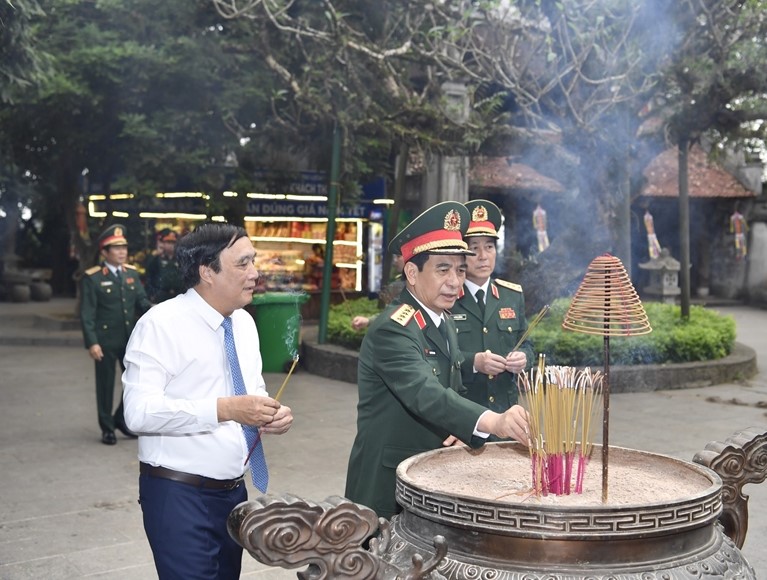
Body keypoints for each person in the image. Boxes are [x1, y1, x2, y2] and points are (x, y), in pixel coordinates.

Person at [122, 222, 294, 580]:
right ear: (206, 272)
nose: (255, 273)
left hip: (233, 492)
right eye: (243, 264)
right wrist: (224, 409)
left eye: (254, 262)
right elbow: (137, 412)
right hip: (178, 493)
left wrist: (268, 413)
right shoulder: (160, 325)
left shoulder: (244, 323)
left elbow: (252, 388)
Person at [344, 201, 529, 520]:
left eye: (459, 270)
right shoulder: (394, 328)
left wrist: (458, 425)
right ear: (412, 273)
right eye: (443, 269)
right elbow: (425, 392)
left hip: (426, 475)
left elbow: (451, 383)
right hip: (387, 487)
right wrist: (493, 421)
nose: (455, 282)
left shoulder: (440, 320)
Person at [450, 200, 534, 418]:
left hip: (506, 412)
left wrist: (524, 357)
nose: (483, 256)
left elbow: (527, 343)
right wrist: (474, 362)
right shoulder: (448, 297)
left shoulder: (511, 295)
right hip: (465, 412)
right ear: (462, 254)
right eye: (474, 248)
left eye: (489, 247)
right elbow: (436, 356)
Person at [80, 224, 152, 446]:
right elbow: (87, 314)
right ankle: (107, 428)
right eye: (116, 248)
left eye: (124, 247)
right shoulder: (93, 278)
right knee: (105, 385)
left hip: (129, 340)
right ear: (104, 252)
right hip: (104, 342)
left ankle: (120, 418)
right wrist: (92, 342)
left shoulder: (131, 274)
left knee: (136, 381)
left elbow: (142, 302)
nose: (122, 252)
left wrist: (162, 311)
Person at [351, 252, 405, 331]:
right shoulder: (400, 283)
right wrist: (368, 321)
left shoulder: (416, 285)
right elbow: (393, 315)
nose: (395, 260)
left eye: (398, 256)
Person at [144, 228, 183, 303]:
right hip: (161, 296)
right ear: (163, 243)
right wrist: (152, 295)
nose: (171, 245)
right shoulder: (156, 259)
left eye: (173, 243)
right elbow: (149, 278)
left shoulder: (180, 259)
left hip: (178, 296)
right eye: (168, 242)